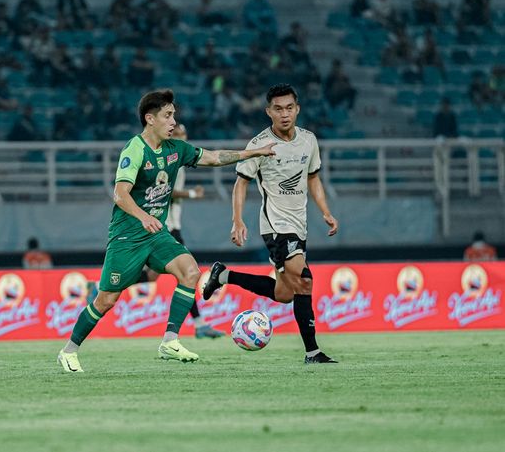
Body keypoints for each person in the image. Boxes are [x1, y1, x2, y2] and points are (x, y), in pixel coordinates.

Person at [57, 89, 277, 372]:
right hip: (128, 236)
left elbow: (214, 157)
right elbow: (120, 194)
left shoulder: (176, 149)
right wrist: (143, 217)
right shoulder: (134, 149)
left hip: (157, 234)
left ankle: (170, 340)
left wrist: (254, 152)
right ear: (150, 119)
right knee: (106, 299)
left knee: (191, 271)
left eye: (174, 115)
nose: (174, 121)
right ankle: (69, 350)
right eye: (168, 115)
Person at [201, 84, 339, 364]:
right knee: (305, 280)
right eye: (278, 109)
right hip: (275, 225)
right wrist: (236, 219)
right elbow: (241, 183)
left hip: (299, 226)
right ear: (268, 112)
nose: (284, 114)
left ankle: (224, 275)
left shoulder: (309, 141)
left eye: (289, 108)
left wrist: (325, 210)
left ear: (297, 109)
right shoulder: (260, 145)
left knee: (285, 293)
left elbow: (313, 177)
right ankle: (312, 352)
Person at [136, 123, 223, 339]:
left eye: (184, 134)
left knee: (153, 277)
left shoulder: (179, 160)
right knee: (187, 273)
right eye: (177, 134)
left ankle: (100, 284)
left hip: (169, 226)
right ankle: (199, 324)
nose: (181, 138)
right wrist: (192, 194)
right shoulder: (166, 162)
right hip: (166, 228)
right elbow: (166, 192)